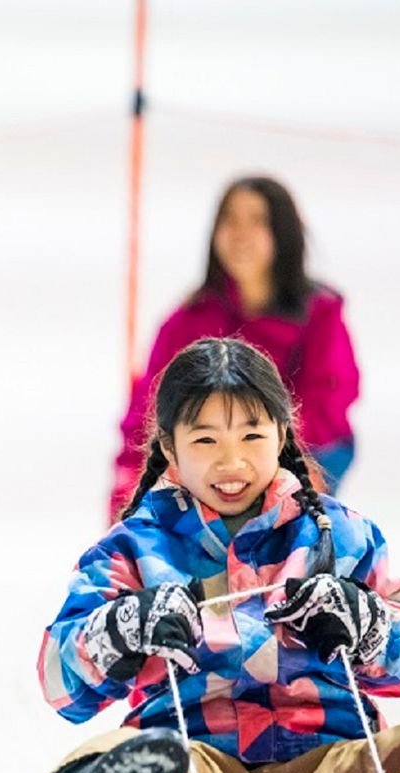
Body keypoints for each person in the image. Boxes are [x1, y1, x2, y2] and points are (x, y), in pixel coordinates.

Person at [33, 338, 400, 773]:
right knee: (141, 757)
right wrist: (120, 630)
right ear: (169, 445)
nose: (231, 462)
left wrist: (367, 623)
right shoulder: (134, 551)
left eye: (252, 436)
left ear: (282, 434)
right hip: (202, 769)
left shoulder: (341, 536)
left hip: (335, 761)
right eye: (205, 439)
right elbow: (59, 683)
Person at [109, 177, 360, 520]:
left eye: (257, 221)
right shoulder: (187, 320)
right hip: (202, 463)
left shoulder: (319, 315)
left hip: (300, 460)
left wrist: (264, 457)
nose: (241, 233)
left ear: (282, 233)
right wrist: (126, 493)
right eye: (230, 220)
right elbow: (147, 410)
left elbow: (328, 405)